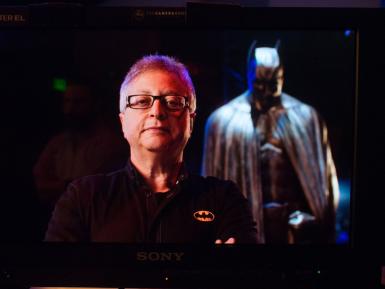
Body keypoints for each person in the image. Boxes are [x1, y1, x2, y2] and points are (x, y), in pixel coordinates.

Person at [45, 55, 258, 243]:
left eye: (173, 102)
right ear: (122, 121)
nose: (157, 111)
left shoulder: (225, 199)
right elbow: (55, 282)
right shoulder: (83, 198)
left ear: (191, 122)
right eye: (141, 101)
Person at [202, 45, 339, 244]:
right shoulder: (222, 122)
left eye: (273, 84)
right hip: (244, 232)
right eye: (259, 84)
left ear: (282, 77)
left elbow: (324, 182)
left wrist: (317, 219)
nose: (266, 92)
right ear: (249, 76)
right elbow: (210, 188)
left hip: (296, 232)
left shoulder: (307, 118)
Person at [33, 80, 129, 210]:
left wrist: (60, 187)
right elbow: (40, 183)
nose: (70, 109)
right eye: (67, 101)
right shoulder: (58, 142)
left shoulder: (112, 144)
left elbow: (93, 189)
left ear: (96, 104)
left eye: (78, 102)